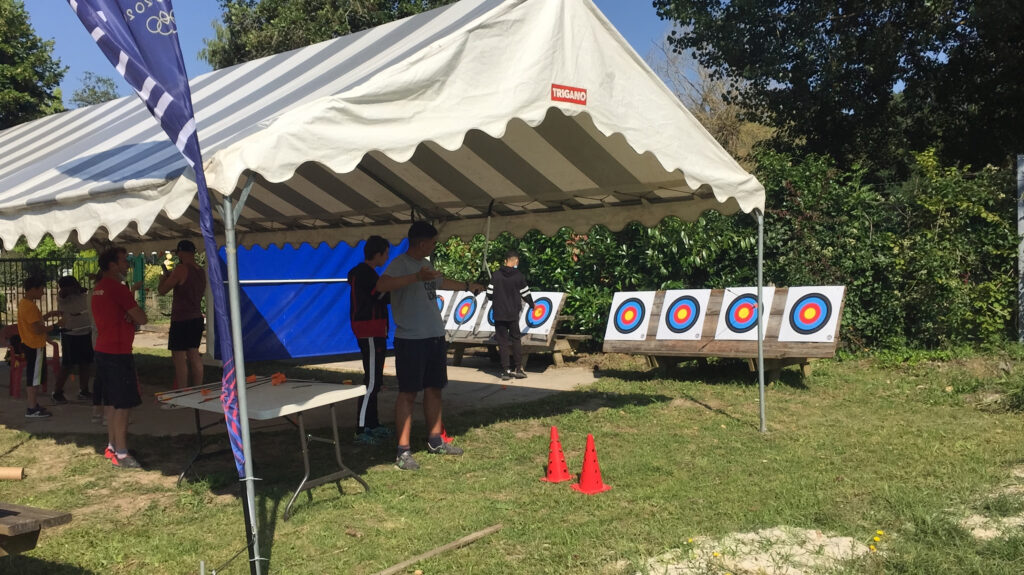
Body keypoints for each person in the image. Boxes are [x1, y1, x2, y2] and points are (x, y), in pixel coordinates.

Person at [376, 221, 485, 470]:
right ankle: (403, 451)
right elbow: (381, 286)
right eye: (434, 242)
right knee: (408, 393)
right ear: (422, 242)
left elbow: (440, 283)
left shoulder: (427, 263)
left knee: (435, 389)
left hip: (434, 337)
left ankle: (436, 440)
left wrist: (469, 287)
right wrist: (415, 276)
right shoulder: (400, 263)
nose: (436, 246)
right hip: (411, 340)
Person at [92, 246, 147, 469]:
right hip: (118, 353)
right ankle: (122, 454)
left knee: (112, 403)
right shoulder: (117, 288)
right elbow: (141, 318)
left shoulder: (99, 288)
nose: (127, 265)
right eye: (124, 261)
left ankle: (113, 447)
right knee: (123, 405)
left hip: (104, 350)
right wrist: (132, 314)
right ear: (112, 265)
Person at [348, 235, 394, 444]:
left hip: (374, 330)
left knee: (375, 379)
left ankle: (373, 423)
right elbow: (382, 296)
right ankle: (361, 428)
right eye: (386, 253)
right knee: (372, 381)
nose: (387, 257)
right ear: (378, 254)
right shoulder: (366, 274)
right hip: (369, 330)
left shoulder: (367, 273)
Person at [158, 239, 206, 389]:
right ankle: (197, 389)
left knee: (179, 357)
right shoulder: (201, 271)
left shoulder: (180, 269)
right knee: (194, 354)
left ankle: (183, 391)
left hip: (181, 319)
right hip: (196, 317)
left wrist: (163, 278)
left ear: (181, 252)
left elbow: (162, 290)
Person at [486, 250, 535, 380]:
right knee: (516, 339)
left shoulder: (496, 275)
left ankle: (505, 371)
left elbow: (489, 295)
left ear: (505, 261)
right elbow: (525, 293)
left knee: (502, 342)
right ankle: (518, 369)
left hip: (499, 313)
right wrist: (532, 305)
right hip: (513, 313)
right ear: (516, 261)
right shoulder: (518, 276)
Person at [17, 276, 60, 418]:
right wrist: (55, 326)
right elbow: (37, 329)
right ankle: (31, 408)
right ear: (34, 289)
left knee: (34, 376)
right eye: (41, 289)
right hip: (34, 345)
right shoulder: (29, 306)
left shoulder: (24, 303)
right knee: (34, 378)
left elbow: (36, 323)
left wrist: (48, 316)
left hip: (30, 344)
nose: (43, 293)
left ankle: (33, 405)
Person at [52, 276, 94, 404]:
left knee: (85, 363)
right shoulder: (63, 297)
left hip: (86, 331)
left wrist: (78, 289)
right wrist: (71, 289)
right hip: (70, 334)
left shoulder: (83, 295)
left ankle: (84, 390)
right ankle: (57, 392)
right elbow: (63, 294)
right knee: (67, 365)